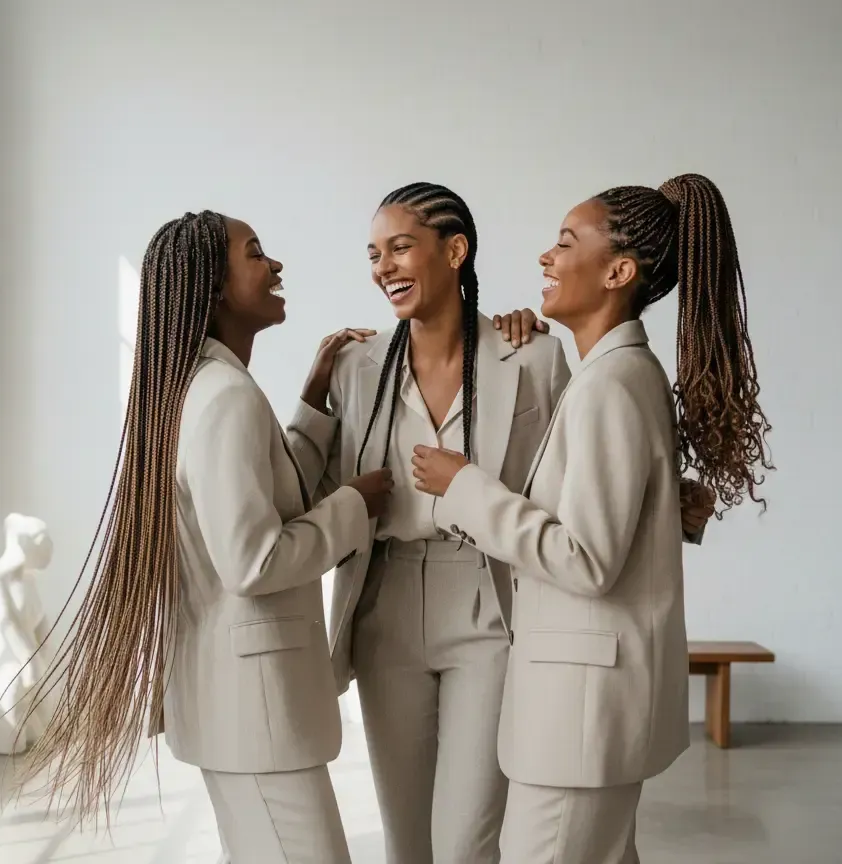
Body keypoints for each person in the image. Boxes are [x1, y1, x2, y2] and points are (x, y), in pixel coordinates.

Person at [290, 182, 715, 864]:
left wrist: (672, 498)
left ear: (454, 251)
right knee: (407, 842)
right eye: (374, 253)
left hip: (492, 603)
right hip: (384, 603)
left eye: (401, 247)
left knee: (466, 842)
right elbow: (306, 491)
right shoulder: (353, 365)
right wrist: (312, 399)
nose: (384, 267)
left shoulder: (534, 354)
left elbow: (582, 482)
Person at [8, 211, 393, 864]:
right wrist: (356, 504)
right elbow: (254, 560)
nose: (275, 266)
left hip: (234, 704)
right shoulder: (225, 399)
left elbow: (265, 501)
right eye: (255, 253)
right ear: (214, 286)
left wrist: (311, 402)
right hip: (256, 711)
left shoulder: (199, 390)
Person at [412, 174, 772, 863]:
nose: (547, 257)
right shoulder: (612, 376)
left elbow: (586, 559)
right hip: (580, 708)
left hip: (577, 716)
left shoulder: (612, 383)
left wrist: (465, 488)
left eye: (566, 242)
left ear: (618, 271)